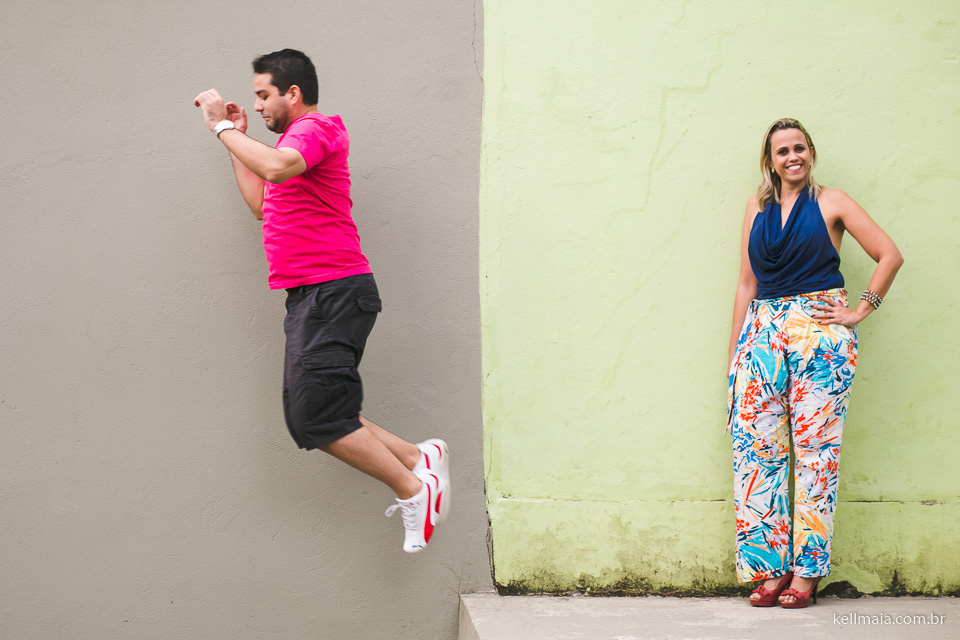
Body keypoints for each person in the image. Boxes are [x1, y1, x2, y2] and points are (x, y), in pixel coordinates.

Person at [193, 49, 450, 553]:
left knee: (316, 418)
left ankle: (416, 489)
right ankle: (420, 458)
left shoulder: (316, 131)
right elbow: (264, 207)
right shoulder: (288, 148)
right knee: (309, 410)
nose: (259, 105)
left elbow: (277, 169)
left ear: (293, 93)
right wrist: (236, 141)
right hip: (313, 296)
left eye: (264, 95)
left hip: (333, 291)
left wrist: (221, 128)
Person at [727, 119, 902, 607]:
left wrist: (860, 310)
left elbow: (889, 254)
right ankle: (771, 568)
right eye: (782, 151)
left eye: (799, 148)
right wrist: (735, 355)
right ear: (770, 161)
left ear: (811, 153)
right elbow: (746, 284)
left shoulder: (833, 202)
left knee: (815, 455)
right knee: (756, 457)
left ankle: (807, 572)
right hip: (760, 338)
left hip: (819, 341)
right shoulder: (755, 208)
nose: (792, 157)